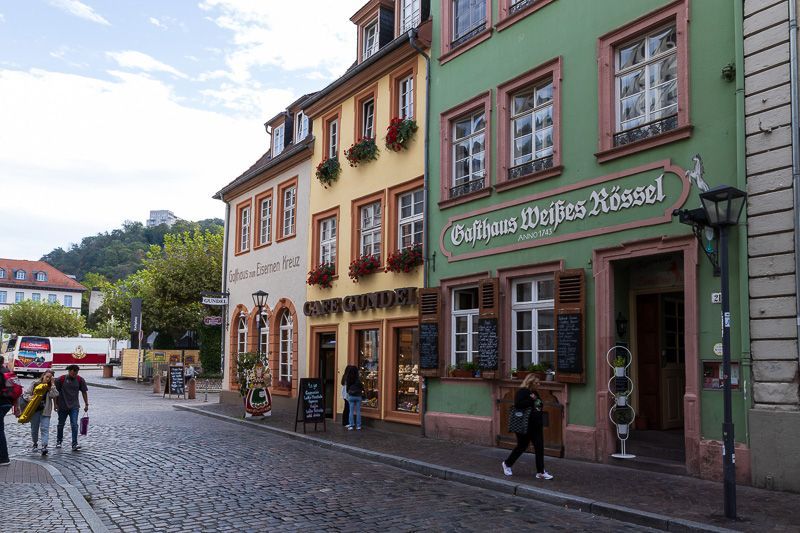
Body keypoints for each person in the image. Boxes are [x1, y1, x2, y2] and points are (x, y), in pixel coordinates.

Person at [502, 374, 553, 480]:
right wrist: (532, 400)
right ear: (530, 382)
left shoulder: (534, 393)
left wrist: (537, 402)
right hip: (524, 424)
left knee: (539, 447)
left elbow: (539, 404)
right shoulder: (522, 392)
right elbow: (518, 404)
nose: (539, 384)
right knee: (522, 446)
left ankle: (540, 472)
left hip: (536, 424)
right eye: (537, 383)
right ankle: (507, 464)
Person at [24, 370, 59, 456]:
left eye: (50, 378)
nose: (47, 379)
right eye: (47, 376)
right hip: (34, 410)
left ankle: (44, 446)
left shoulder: (51, 387)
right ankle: (35, 443)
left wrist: (53, 384)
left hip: (45, 411)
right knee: (34, 429)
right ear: (43, 375)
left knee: (45, 428)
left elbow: (55, 395)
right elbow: (25, 394)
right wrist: (30, 398)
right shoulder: (35, 383)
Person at [55, 364, 88, 451]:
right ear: (69, 371)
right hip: (62, 406)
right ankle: (59, 441)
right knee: (61, 424)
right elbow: (55, 393)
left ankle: (74, 444)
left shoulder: (80, 380)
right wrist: (55, 404)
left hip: (74, 406)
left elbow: (84, 392)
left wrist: (86, 404)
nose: (74, 374)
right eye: (73, 372)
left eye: (76, 372)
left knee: (74, 424)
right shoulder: (61, 379)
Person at [0, 363, 21, 466]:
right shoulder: (7, 372)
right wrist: (16, 406)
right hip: (7, 403)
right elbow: (16, 391)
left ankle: (4, 458)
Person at [343, 365, 363, 431]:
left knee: (351, 411)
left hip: (351, 396)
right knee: (358, 411)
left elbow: (347, 389)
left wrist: (349, 393)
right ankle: (358, 426)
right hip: (358, 396)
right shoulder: (358, 379)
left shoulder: (349, 379)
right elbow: (361, 387)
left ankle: (351, 425)